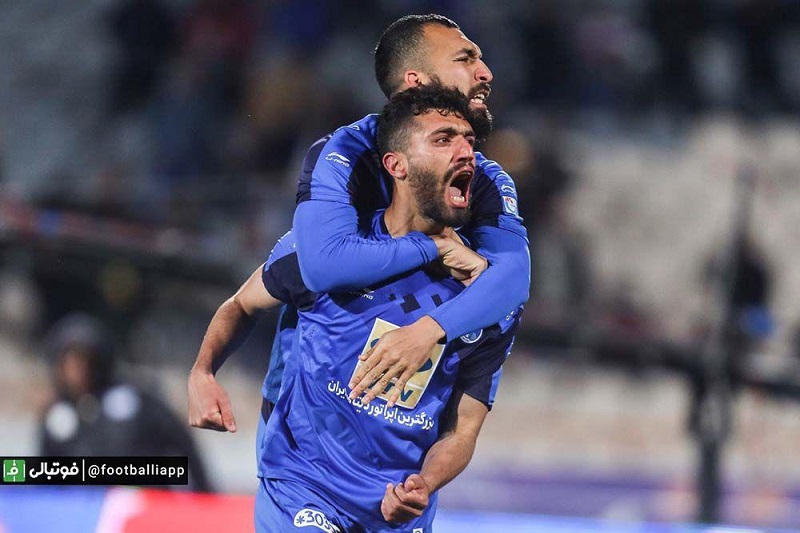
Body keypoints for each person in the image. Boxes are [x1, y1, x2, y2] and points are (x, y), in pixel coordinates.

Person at [189, 13, 529, 434]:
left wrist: (429, 331)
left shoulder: (485, 177)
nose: (486, 72)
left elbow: (513, 278)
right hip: (306, 413)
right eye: (466, 59)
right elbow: (322, 266)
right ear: (416, 81)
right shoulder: (347, 152)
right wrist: (434, 248)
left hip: (397, 413)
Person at [253, 85, 521, 531]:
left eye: (470, 142)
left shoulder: (488, 299)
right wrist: (204, 371)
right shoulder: (332, 256)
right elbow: (241, 305)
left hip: (394, 510)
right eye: (443, 139)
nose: (465, 153)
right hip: (304, 483)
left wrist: (424, 484)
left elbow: (462, 431)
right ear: (397, 165)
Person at [41, 313, 212, 492]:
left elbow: (182, 442)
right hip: (84, 507)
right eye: (68, 364)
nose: (76, 372)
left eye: (84, 361)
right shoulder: (57, 418)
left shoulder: (136, 403)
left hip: (142, 501)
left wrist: (204, 493)